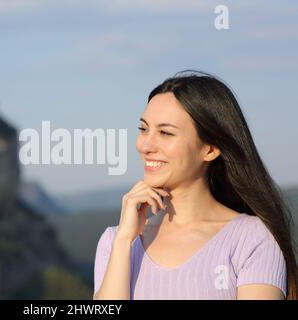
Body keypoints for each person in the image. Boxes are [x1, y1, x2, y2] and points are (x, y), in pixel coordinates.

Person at [93, 71, 297, 300]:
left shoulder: (252, 239)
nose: (146, 145)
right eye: (143, 129)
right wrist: (123, 242)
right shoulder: (115, 241)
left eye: (165, 133)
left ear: (210, 149)